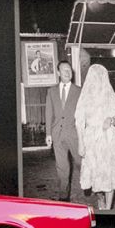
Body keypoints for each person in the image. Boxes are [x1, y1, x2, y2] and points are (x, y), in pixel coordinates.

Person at [75, 63, 115, 210]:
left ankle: (108, 208)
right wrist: (81, 143)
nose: (98, 78)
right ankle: (99, 196)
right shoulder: (85, 98)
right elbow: (79, 122)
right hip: (92, 139)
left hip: (109, 139)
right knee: (95, 173)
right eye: (95, 76)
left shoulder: (111, 96)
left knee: (110, 173)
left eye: (101, 75)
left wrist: (111, 120)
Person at [43, 61, 82, 199]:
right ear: (58, 73)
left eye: (69, 70)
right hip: (57, 135)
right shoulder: (51, 91)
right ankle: (64, 197)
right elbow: (49, 113)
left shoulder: (79, 91)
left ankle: (94, 187)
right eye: (64, 70)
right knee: (62, 167)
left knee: (81, 163)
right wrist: (48, 133)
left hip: (75, 135)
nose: (68, 72)